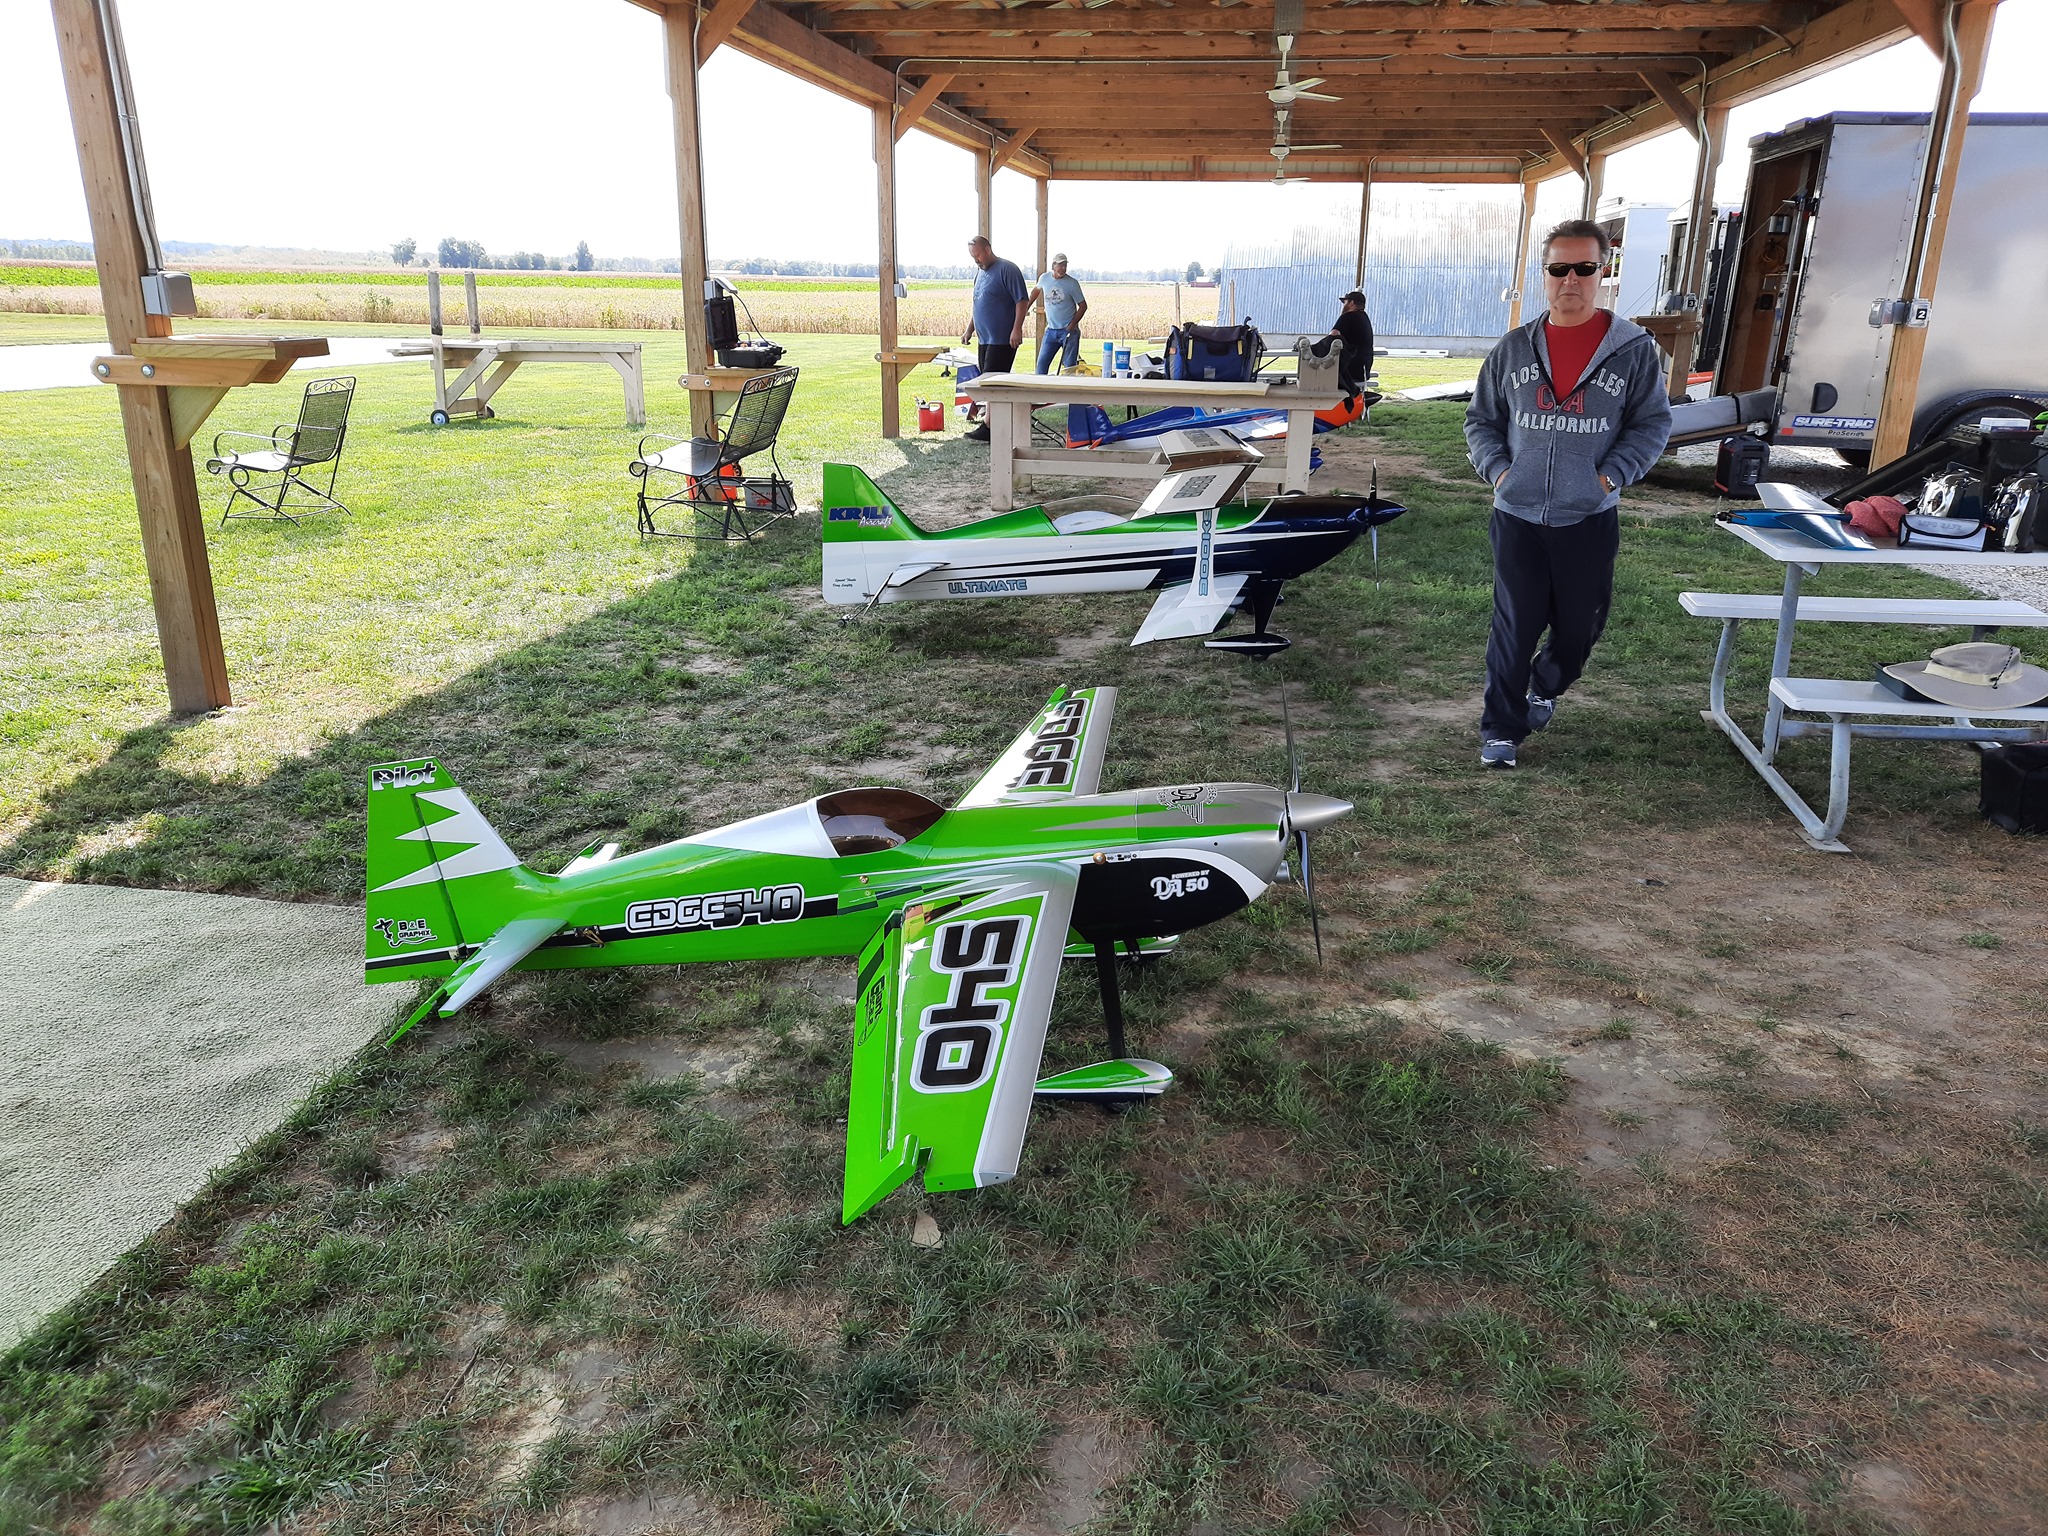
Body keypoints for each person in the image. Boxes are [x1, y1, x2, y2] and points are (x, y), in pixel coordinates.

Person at [1463, 218, 1673, 769]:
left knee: (1581, 626)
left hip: (1589, 514)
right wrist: (1500, 473)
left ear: (1603, 272)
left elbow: (1651, 424)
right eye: (1559, 268)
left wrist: (1609, 478)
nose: (1571, 280)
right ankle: (1501, 729)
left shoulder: (1632, 350)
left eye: (1584, 268)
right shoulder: (1514, 348)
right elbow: (1481, 420)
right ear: (1545, 274)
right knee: (1515, 624)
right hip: (1518, 512)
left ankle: (1546, 684)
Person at [960, 234, 1030, 442]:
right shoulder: (980, 274)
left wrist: (1016, 329)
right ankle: (991, 422)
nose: (976, 260)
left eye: (978, 256)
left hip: (1002, 339)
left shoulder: (1007, 270)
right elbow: (978, 304)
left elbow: (1022, 301)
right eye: (973, 257)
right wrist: (969, 330)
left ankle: (990, 427)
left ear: (988, 249)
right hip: (984, 339)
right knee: (986, 381)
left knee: (993, 384)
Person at [1029, 252, 1089, 374]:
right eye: (1060, 265)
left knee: (1069, 368)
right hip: (1051, 330)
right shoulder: (1044, 278)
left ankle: (1068, 386)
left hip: (1068, 331)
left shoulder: (1072, 283)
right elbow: (1035, 292)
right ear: (1053, 266)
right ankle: (1040, 385)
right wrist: (1026, 306)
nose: (1063, 268)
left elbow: (1083, 306)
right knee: (1041, 365)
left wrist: (1072, 325)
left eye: (1065, 265)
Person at [1326, 287, 1375, 399]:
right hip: (1363, 371)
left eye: (1345, 302)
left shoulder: (1348, 317)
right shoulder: (1364, 317)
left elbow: (1333, 335)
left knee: (1318, 374)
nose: (1344, 305)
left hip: (1349, 372)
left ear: (1352, 303)